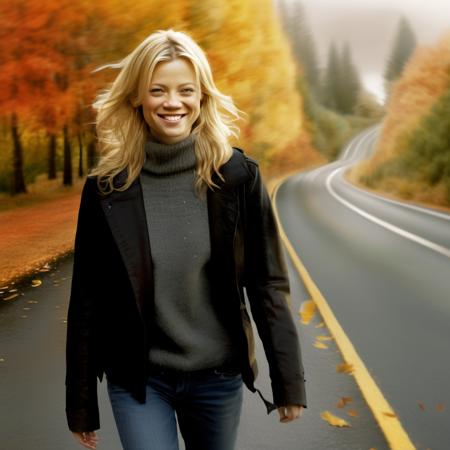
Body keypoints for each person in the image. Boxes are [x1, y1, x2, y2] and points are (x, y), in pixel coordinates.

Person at [65, 28, 307, 450]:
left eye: (185, 90)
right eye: (157, 90)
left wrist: (288, 382)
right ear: (138, 97)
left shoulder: (237, 177)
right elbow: (88, 297)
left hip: (217, 378)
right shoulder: (107, 188)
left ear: (202, 97)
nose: (172, 102)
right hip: (139, 380)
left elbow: (266, 282)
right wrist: (81, 403)